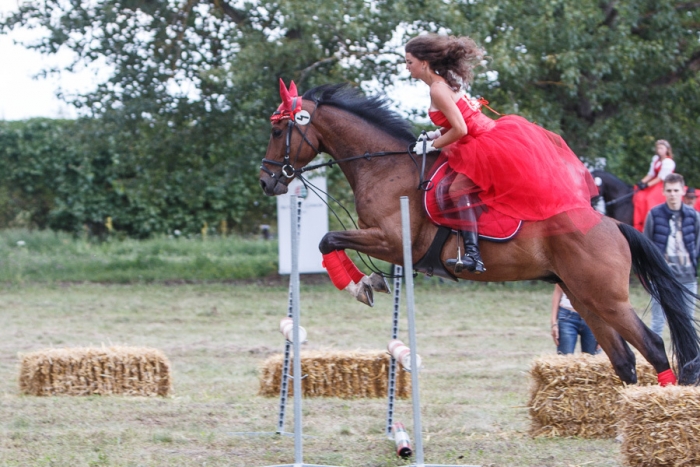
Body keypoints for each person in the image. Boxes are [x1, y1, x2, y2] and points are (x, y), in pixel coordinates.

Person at [404, 34, 599, 274]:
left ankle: (474, 256)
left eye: (409, 61)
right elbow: (462, 118)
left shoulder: (437, 89)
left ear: (424, 63)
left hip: (482, 144)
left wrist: (432, 146)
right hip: (485, 136)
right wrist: (436, 135)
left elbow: (461, 128)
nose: (407, 67)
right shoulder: (444, 82)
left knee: (456, 190)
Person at [643, 173, 700, 337]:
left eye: (676, 190)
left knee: (687, 324)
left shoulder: (694, 216)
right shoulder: (653, 215)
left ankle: (689, 362)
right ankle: (657, 362)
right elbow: (647, 245)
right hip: (661, 278)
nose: (673, 194)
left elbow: (696, 244)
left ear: (682, 191)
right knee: (657, 323)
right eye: (669, 190)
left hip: (687, 278)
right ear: (663, 192)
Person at [633, 139, 676, 232]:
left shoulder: (668, 162)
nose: (659, 150)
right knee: (637, 193)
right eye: (658, 148)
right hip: (654, 182)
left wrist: (647, 185)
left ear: (667, 149)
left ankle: (650, 222)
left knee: (650, 198)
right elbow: (651, 174)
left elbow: (660, 178)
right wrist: (641, 182)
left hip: (663, 184)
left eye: (661, 148)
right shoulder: (656, 159)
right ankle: (638, 222)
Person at [550, 284, 599, 355]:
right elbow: (558, 292)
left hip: (592, 317)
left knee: (593, 361)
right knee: (564, 361)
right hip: (567, 317)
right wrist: (553, 323)